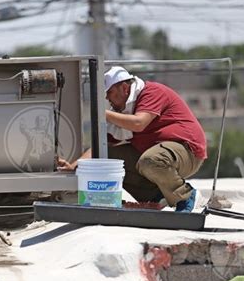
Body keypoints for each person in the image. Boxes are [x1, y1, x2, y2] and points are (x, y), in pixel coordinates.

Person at [58, 66, 207, 213]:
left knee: (150, 160)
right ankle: (158, 198)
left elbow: (138, 123)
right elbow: (100, 147)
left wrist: (103, 114)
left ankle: (185, 196)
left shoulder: (151, 92)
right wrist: (74, 166)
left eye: (109, 92)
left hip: (187, 152)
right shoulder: (124, 111)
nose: (107, 98)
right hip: (160, 155)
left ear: (124, 88)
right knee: (107, 159)